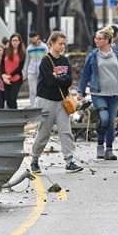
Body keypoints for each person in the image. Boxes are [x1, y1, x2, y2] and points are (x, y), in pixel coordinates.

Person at [30, 31, 82, 174]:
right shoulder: (46, 60)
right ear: (51, 43)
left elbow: (69, 80)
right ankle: (34, 159)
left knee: (66, 131)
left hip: (62, 102)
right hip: (46, 100)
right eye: (60, 43)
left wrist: (59, 79)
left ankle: (69, 160)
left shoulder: (64, 61)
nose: (62, 46)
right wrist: (61, 80)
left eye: (64, 44)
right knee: (44, 133)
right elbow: (49, 81)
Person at [78, 28, 118, 161]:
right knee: (104, 118)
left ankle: (108, 149)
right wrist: (81, 91)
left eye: (100, 38)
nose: (97, 41)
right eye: (96, 38)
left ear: (107, 40)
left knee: (111, 122)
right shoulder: (93, 55)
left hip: (114, 93)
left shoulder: (117, 55)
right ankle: (99, 144)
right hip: (98, 92)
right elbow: (85, 74)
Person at [0, 33, 25, 109]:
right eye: (13, 40)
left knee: (13, 98)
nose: (15, 42)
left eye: (17, 40)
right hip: (5, 79)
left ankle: (16, 116)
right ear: (10, 41)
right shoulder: (5, 51)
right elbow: (2, 64)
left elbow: (20, 67)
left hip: (16, 78)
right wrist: (3, 75)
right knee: (7, 99)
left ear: (20, 42)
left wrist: (9, 76)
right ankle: (10, 116)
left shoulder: (22, 53)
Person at [25, 33, 48, 107]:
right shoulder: (29, 48)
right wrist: (25, 73)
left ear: (37, 37)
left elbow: (47, 59)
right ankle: (33, 106)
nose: (32, 39)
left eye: (34, 37)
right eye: (31, 38)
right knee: (32, 91)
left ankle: (41, 106)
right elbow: (27, 61)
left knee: (41, 89)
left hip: (42, 71)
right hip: (31, 71)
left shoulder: (44, 46)